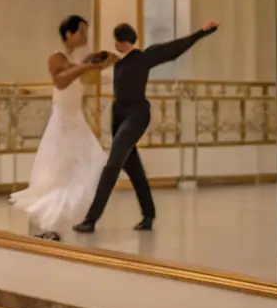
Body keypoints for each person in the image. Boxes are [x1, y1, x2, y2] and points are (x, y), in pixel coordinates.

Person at [73, 19, 219, 234]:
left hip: (137, 115)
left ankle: (90, 219)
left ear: (124, 42)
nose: (115, 45)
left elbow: (174, 49)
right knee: (133, 168)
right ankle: (148, 215)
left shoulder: (144, 57)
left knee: (113, 163)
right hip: (119, 116)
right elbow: (88, 74)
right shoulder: (116, 61)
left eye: (118, 41)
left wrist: (202, 32)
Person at [10, 14, 114, 241]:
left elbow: (80, 80)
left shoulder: (73, 59)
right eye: (82, 31)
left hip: (76, 121)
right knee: (56, 172)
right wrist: (85, 65)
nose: (86, 35)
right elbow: (61, 81)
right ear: (70, 33)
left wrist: (95, 65)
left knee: (92, 164)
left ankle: (67, 220)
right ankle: (46, 224)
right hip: (63, 123)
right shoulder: (56, 57)